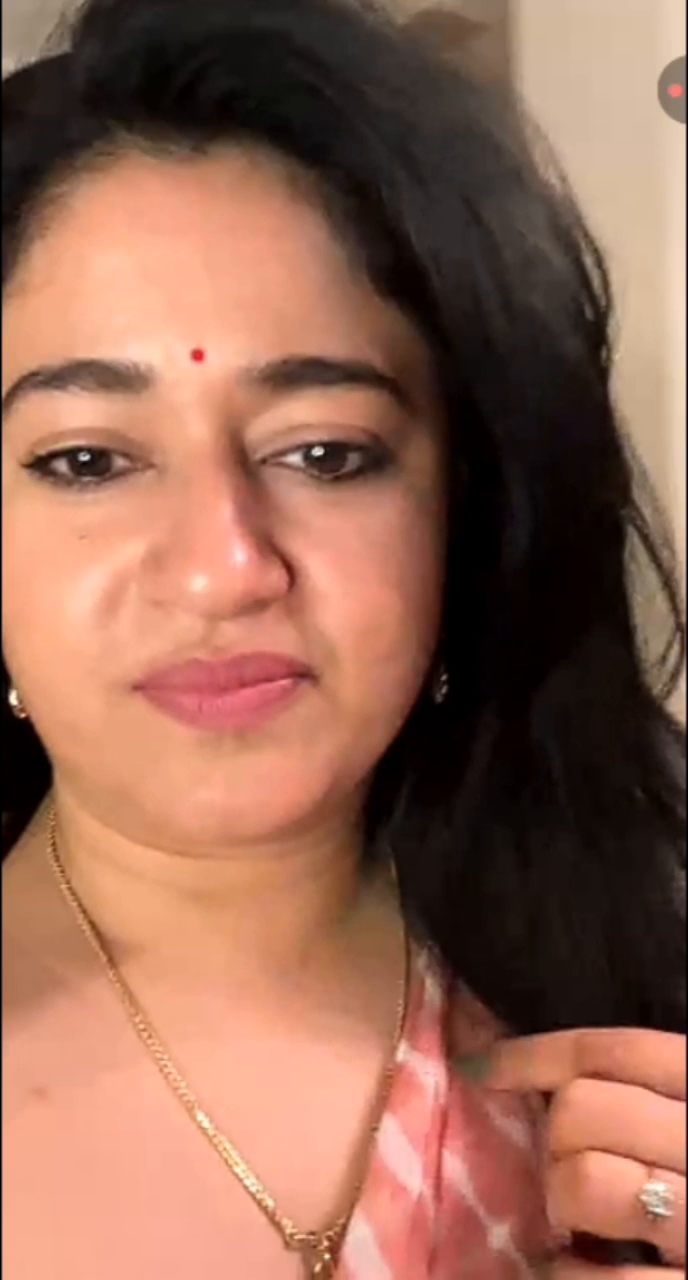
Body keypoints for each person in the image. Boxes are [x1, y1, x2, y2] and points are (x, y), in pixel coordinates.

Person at [2, 1, 685, 1277]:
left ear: (467, 506)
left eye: (324, 452)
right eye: (87, 460)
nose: (223, 566)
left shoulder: (642, 989)